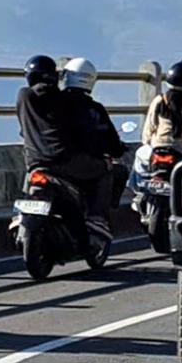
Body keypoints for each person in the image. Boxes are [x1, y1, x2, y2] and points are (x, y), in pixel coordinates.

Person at [58, 57, 126, 233]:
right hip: (80, 162)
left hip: (49, 158)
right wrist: (118, 148)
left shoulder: (53, 103)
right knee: (110, 170)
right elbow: (110, 139)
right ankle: (97, 217)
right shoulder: (94, 109)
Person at [142, 60, 182, 159]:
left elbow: (148, 130)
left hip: (161, 148)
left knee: (139, 164)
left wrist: (147, 143)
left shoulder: (161, 100)